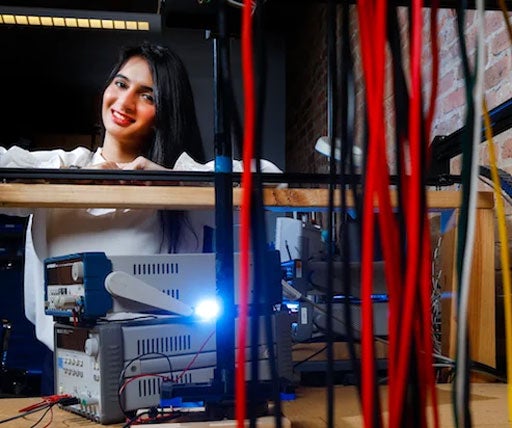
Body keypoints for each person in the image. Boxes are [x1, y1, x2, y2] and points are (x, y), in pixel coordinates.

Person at [0, 42, 281, 393]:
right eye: (120, 84)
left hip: (159, 370)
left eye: (147, 96)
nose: (125, 102)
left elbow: (273, 179)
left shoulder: (175, 186)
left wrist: (174, 179)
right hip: (64, 370)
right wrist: (68, 176)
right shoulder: (63, 166)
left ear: (166, 113)